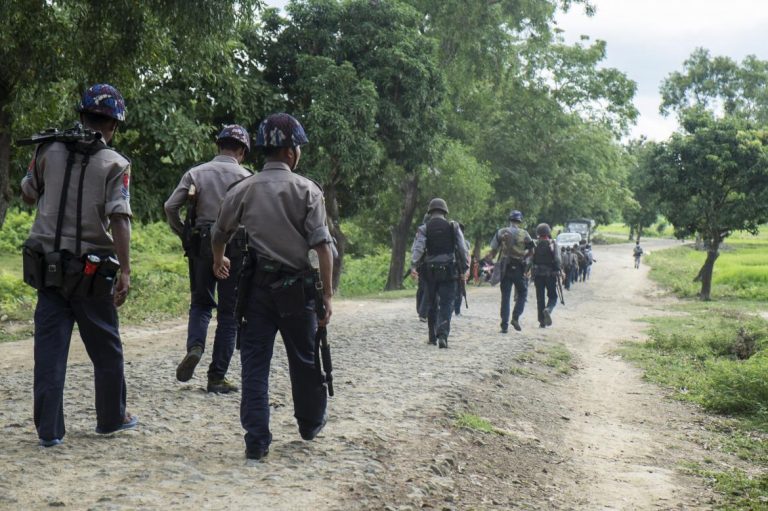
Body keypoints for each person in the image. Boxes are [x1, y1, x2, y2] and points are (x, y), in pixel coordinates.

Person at [210, 113, 333, 461]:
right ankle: (309, 423)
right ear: (292, 152)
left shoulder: (243, 189)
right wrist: (326, 294)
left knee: (254, 363)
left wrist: (218, 259)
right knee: (305, 359)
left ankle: (256, 438)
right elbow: (322, 246)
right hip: (298, 291)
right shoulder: (308, 191)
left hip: (257, 291)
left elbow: (219, 232)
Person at [20, 84, 136, 447]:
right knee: (106, 348)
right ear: (113, 125)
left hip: (48, 268)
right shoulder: (116, 164)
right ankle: (111, 418)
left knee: (50, 352)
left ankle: (49, 432)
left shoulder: (46, 150)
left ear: (81, 115)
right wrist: (126, 270)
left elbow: (28, 191)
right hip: (91, 272)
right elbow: (119, 219)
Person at [164, 125, 252, 393]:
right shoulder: (247, 177)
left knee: (201, 303)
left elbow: (170, 207)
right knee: (229, 313)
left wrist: (184, 233)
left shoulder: (196, 172)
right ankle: (216, 377)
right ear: (242, 151)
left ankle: (195, 347)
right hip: (235, 247)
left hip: (201, 243)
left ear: (219, 146)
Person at [410, 198, 468, 348]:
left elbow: (418, 249)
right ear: (445, 211)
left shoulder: (424, 228)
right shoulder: (453, 226)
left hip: (429, 271)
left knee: (431, 302)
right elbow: (462, 248)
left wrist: (414, 265)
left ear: (430, 212)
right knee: (447, 303)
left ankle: (431, 336)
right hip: (449, 270)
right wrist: (465, 267)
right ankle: (443, 334)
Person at [485, 210, 534, 333]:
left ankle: (504, 325)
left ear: (510, 220)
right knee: (522, 292)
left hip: (505, 267)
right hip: (519, 267)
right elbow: (532, 251)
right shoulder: (525, 234)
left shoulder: (501, 232)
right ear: (520, 221)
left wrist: (490, 259)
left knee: (505, 297)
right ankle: (516, 317)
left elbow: (493, 250)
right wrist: (524, 256)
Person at [531, 223, 561, 328]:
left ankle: (542, 322)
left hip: (538, 274)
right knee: (553, 296)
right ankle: (548, 309)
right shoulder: (553, 243)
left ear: (538, 233)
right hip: (550, 275)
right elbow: (557, 259)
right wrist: (558, 270)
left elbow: (530, 259)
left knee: (540, 298)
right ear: (548, 232)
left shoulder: (535, 244)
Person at [453, 223, 471, 316]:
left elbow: (467, 256)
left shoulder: (465, 243)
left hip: (457, 267)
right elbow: (467, 257)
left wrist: (467, 270)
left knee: (459, 290)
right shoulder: (465, 242)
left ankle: (456, 309)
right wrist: (467, 269)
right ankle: (456, 310)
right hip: (459, 268)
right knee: (459, 290)